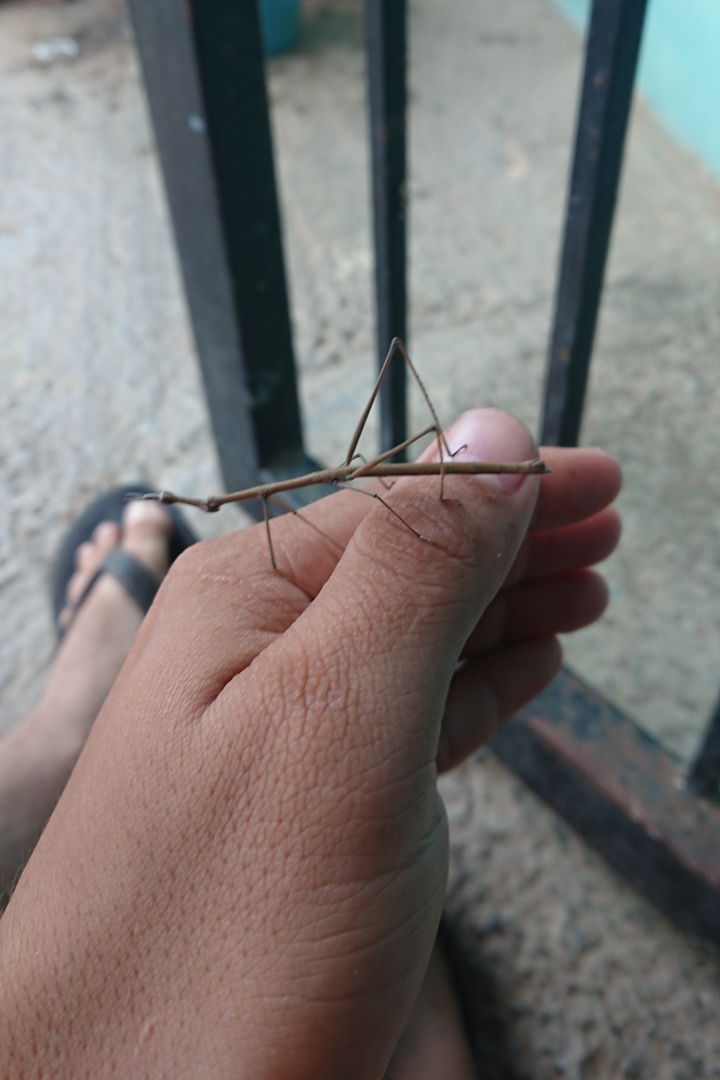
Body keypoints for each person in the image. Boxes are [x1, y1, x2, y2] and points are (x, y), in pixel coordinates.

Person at [0, 408, 621, 1078]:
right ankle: (401, 1005)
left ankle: (394, 999)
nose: (208, 505)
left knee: (395, 393)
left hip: (441, 481)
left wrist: (440, 520)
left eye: (209, 505)